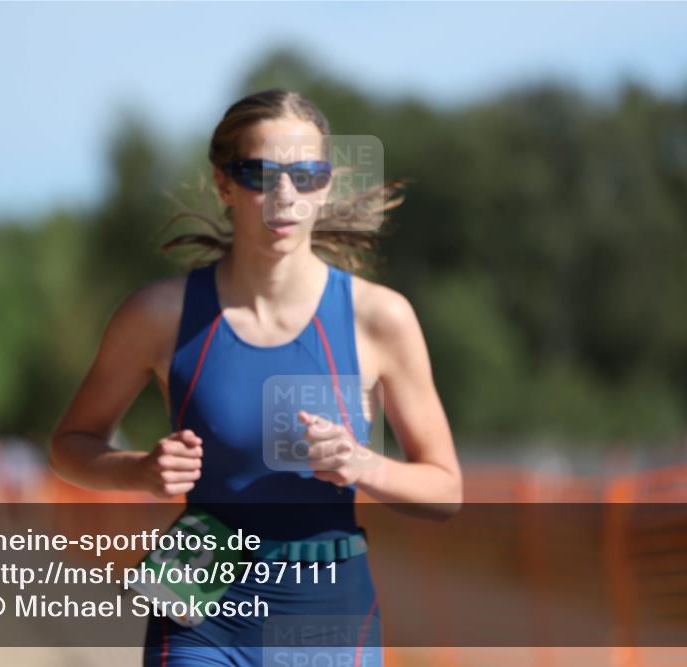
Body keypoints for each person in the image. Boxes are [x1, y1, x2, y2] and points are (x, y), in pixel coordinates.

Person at [49, 89, 462, 667]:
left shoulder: (380, 318)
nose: (284, 196)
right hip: (200, 605)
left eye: (306, 175)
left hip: (327, 611)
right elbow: (70, 446)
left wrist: (362, 464)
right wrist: (139, 471)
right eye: (259, 174)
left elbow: (446, 490)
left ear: (328, 184)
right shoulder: (158, 315)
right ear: (223, 184)